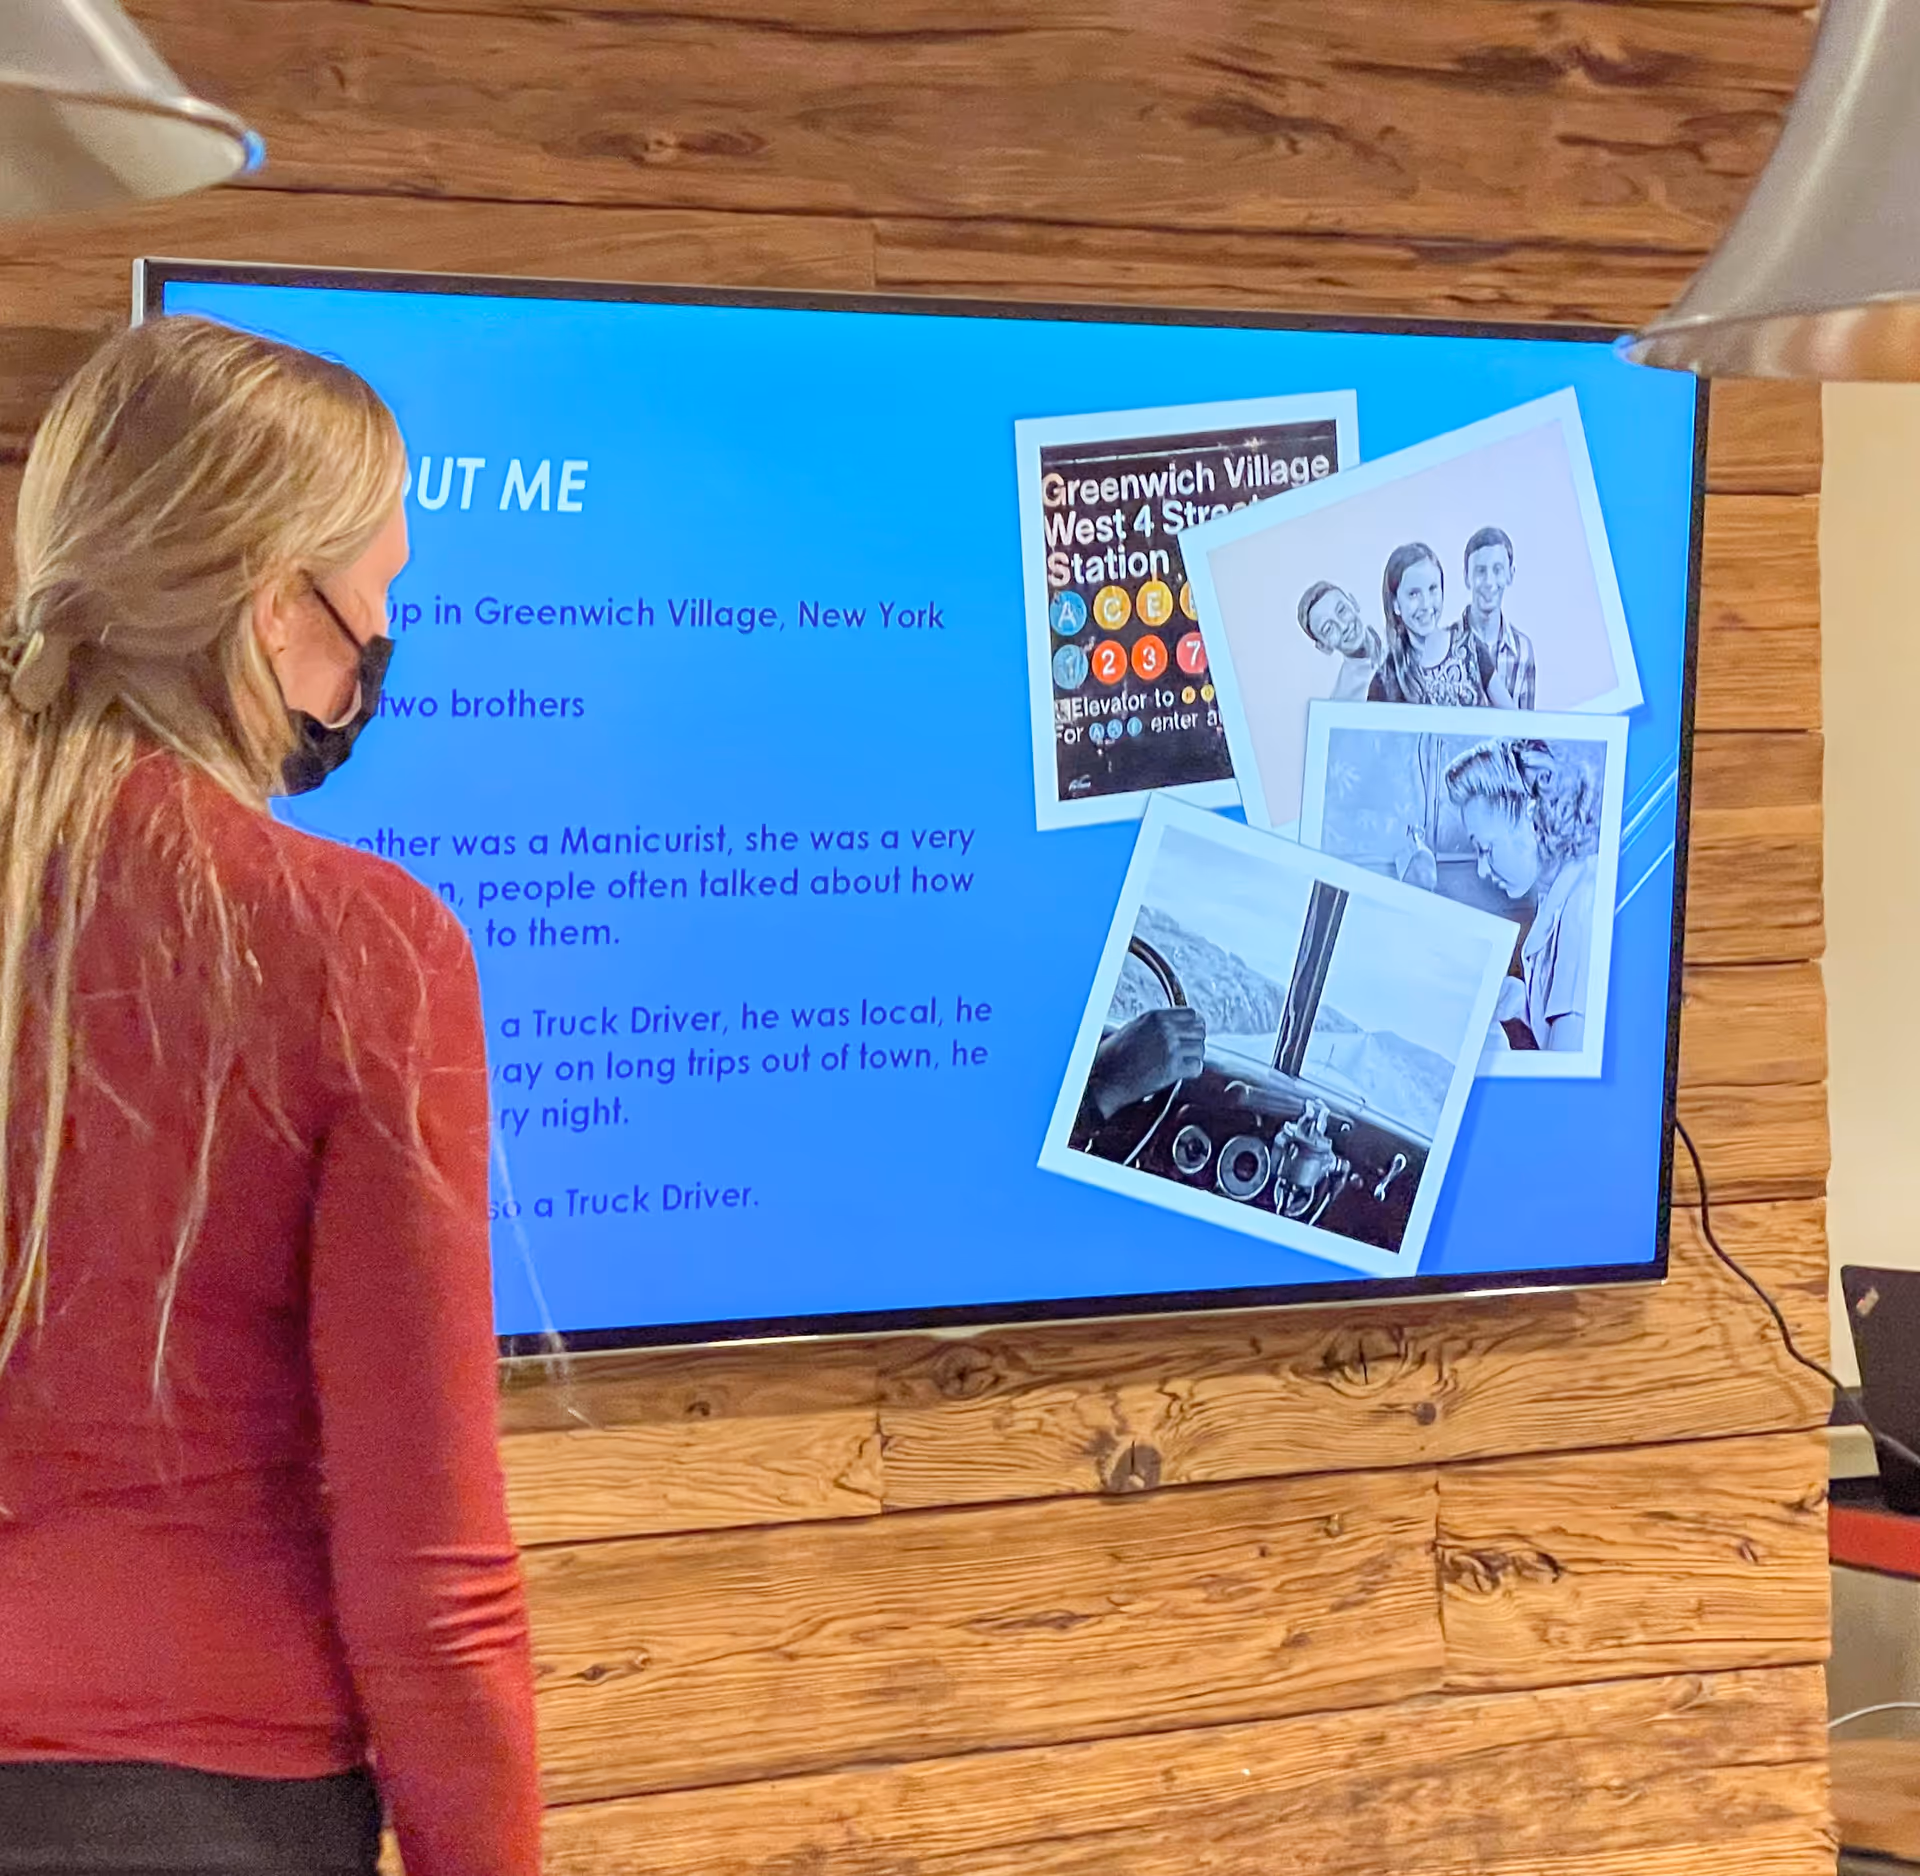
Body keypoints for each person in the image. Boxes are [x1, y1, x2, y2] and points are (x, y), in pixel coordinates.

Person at [0, 319, 540, 1875]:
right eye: (377, 594)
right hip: (188, 1808)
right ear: (269, 607)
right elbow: (426, 1562)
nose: (380, 640)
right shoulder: (358, 945)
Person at [1443, 737, 1603, 1053]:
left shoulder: (1582, 906)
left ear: (1529, 816)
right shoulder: (1557, 892)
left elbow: (1565, 1074)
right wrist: (1524, 1005)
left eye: (1485, 849)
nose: (1481, 870)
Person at [1367, 541, 1514, 708]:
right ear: (1395, 604)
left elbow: (1514, 721)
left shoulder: (1471, 649)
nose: (1426, 604)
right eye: (1414, 594)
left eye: (1432, 589)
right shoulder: (1386, 678)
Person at [1460, 526, 1536, 710]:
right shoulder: (1445, 645)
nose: (1489, 582)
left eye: (1497, 570)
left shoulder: (1523, 650)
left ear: (1510, 575)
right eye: (1480, 571)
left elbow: (1526, 730)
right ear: (1466, 577)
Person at [1295, 580, 1381, 702]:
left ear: (1354, 603)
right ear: (1323, 647)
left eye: (1342, 610)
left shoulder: (1403, 639)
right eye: (1328, 629)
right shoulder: (1343, 699)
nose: (1343, 626)